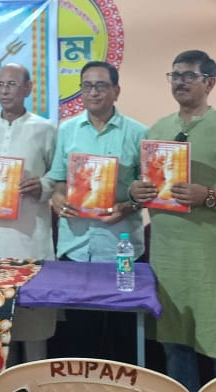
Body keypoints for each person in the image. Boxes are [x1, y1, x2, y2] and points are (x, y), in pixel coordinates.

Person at [128, 50, 216, 392]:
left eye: (188, 75)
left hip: (212, 256)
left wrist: (209, 195)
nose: (179, 82)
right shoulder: (156, 131)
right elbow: (141, 182)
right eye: (175, 75)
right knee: (175, 346)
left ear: (209, 82)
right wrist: (136, 191)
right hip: (167, 255)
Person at [47, 60, 146, 364]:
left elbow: (150, 192)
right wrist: (57, 199)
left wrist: (127, 206)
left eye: (101, 85)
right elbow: (58, 182)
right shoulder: (67, 131)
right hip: (76, 248)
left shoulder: (138, 133)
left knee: (123, 338)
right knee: (79, 337)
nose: (93, 92)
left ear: (116, 91)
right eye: (87, 86)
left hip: (121, 249)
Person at [0, 63, 57, 363]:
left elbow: (57, 176)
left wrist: (42, 185)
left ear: (28, 88)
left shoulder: (45, 128)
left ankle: (34, 390)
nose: (5, 91)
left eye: (12, 84)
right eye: (0, 85)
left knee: (34, 326)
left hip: (30, 235)